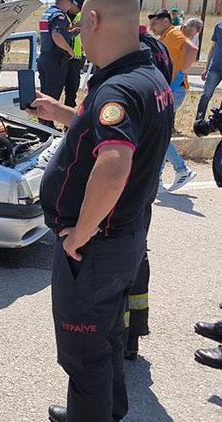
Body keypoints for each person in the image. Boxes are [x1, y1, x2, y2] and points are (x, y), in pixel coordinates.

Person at [29, 0, 173, 420]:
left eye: (79, 26)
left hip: (95, 248)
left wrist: (80, 233)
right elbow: (106, 128)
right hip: (124, 239)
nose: (78, 35)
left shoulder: (117, 90)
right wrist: (62, 113)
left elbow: (113, 165)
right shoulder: (148, 77)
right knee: (108, 335)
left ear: (93, 21)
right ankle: (108, 410)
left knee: (83, 354)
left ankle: (90, 413)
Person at [122, 22, 175, 362]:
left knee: (120, 266)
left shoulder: (129, 63)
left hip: (128, 187)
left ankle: (121, 339)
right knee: (139, 256)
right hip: (146, 180)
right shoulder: (156, 53)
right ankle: (133, 336)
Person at [150, 9, 198, 192]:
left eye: (154, 23)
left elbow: (192, 49)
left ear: (164, 21)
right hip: (170, 90)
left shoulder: (173, 33)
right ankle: (159, 178)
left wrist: (179, 78)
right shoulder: (166, 37)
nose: (152, 27)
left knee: (158, 132)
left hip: (175, 90)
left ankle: (181, 169)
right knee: (161, 131)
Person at [37, 0, 76, 128]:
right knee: (52, 94)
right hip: (55, 60)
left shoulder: (47, 13)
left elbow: (53, 32)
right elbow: (56, 34)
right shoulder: (59, 15)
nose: (70, 6)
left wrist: (70, 33)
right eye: (70, 2)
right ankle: (47, 125)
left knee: (45, 92)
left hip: (45, 57)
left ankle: (43, 122)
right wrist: (69, 50)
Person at [197, 21, 222, 121]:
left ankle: (219, 123)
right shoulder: (219, 26)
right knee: (206, 95)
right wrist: (206, 68)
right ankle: (199, 121)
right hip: (215, 67)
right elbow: (213, 46)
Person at [65, 0, 85, 109]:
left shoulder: (82, 14)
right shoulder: (62, 14)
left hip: (77, 57)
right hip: (63, 56)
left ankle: (68, 117)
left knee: (72, 87)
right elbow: (61, 32)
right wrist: (76, 26)